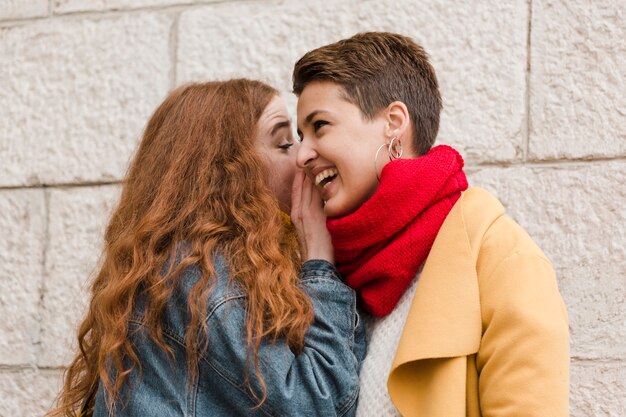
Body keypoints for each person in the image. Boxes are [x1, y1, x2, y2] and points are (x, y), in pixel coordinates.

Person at [47, 79, 365, 417]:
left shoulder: (195, 265)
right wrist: (319, 263)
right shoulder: (203, 280)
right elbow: (318, 404)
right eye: (285, 143)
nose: (303, 157)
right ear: (227, 172)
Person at [292, 32, 569, 417]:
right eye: (299, 136)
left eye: (319, 126)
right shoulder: (331, 274)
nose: (302, 154)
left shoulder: (497, 256)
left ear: (393, 123)